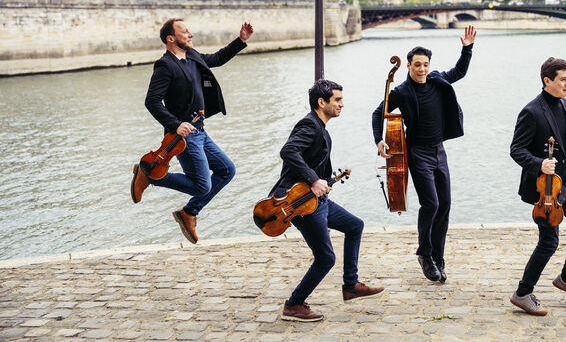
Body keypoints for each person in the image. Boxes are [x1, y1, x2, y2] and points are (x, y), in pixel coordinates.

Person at [132, 18, 254, 244]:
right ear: (171, 38)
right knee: (201, 185)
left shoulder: (192, 56)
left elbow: (216, 59)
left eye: (189, 31)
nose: (190, 34)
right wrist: (175, 124)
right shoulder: (165, 65)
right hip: (183, 137)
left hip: (200, 130)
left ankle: (189, 212)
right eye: (185, 32)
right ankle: (150, 174)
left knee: (227, 170)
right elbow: (152, 101)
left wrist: (240, 41)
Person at [371, 25, 476, 283]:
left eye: (425, 64)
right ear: (408, 66)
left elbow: (459, 72)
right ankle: (424, 254)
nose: (422, 69)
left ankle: (438, 256)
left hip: (440, 150)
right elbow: (377, 113)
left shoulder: (437, 80)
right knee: (431, 203)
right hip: (417, 153)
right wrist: (379, 140)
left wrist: (467, 49)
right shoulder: (401, 92)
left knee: (445, 205)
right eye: (417, 64)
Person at [276, 79, 383, 322]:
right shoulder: (309, 125)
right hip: (302, 203)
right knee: (325, 258)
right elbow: (288, 151)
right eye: (337, 100)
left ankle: (351, 285)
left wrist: (324, 181)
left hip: (317, 200)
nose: (342, 104)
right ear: (321, 102)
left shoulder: (320, 127)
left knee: (355, 225)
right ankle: (293, 305)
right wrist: (314, 180)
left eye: (341, 99)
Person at [508, 57, 566, 316]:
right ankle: (522, 293)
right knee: (549, 241)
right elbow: (516, 149)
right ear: (547, 81)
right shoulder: (531, 111)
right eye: (563, 80)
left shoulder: (564, 104)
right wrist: (539, 163)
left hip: (564, 184)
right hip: (544, 189)